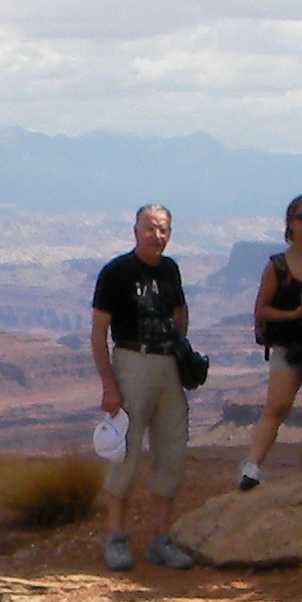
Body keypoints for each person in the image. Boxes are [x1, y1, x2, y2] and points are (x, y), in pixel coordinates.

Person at [91, 204, 195, 572]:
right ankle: (116, 538)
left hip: (167, 365)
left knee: (172, 452)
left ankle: (160, 540)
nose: (157, 235)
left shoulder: (170, 269)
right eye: (150, 228)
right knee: (126, 454)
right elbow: (98, 333)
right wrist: (109, 384)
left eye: (164, 229)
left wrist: (181, 347)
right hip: (132, 362)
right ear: (135, 230)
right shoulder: (116, 273)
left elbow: (180, 311)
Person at [236, 195, 302, 489]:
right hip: (289, 347)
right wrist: (294, 314)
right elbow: (261, 309)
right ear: (290, 222)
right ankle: (251, 468)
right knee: (276, 407)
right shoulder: (278, 266)